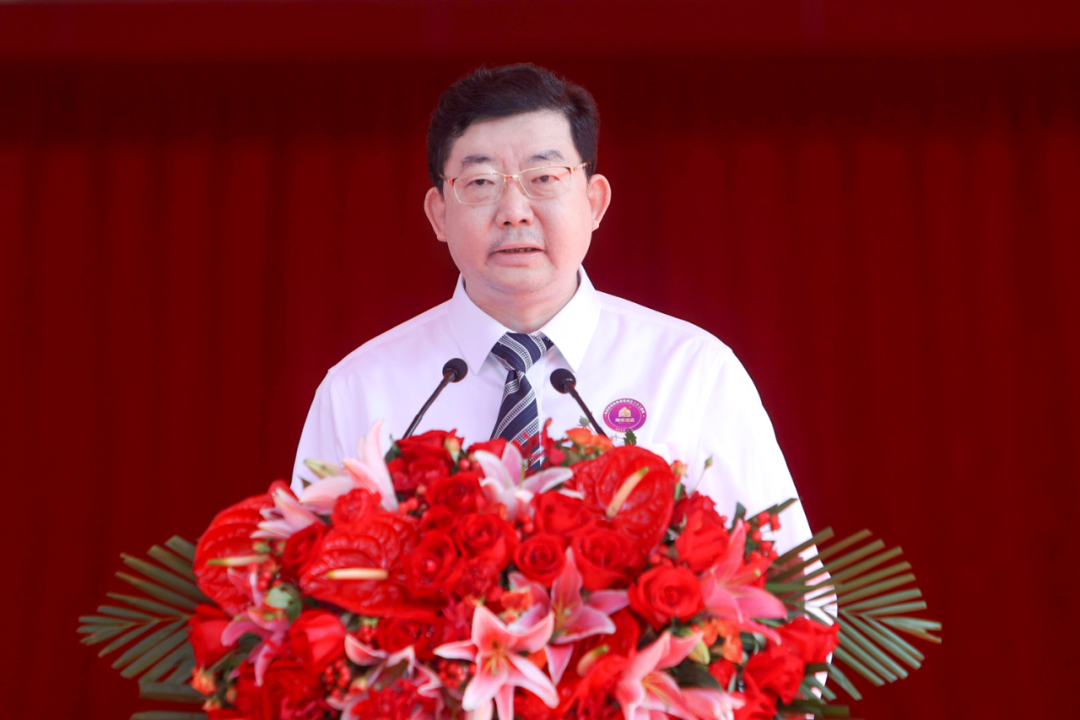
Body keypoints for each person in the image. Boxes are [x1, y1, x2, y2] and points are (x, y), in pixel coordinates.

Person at [291, 63, 813, 553]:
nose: (514, 212)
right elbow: (299, 588)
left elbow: (793, 593)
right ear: (439, 214)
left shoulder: (693, 371)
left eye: (543, 178)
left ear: (594, 202)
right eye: (480, 183)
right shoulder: (359, 390)